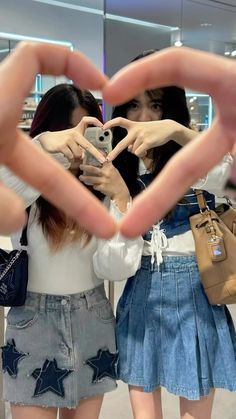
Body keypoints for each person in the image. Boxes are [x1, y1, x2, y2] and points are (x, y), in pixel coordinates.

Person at [102, 50, 236, 419]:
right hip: (141, 295)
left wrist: (178, 133)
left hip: (197, 294)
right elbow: (111, 265)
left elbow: (231, 179)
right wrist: (120, 198)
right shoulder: (117, 172)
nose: (143, 119)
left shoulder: (193, 162)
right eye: (133, 106)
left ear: (171, 108)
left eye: (156, 105)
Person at [0, 83, 143, 419]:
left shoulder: (103, 193)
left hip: (91, 318)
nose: (77, 149)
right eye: (68, 134)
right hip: (32, 325)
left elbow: (116, 269)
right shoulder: (28, 188)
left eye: (87, 135)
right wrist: (41, 151)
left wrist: (123, 202)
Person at [0, 41, 116, 238]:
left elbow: (115, 267)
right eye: (67, 130)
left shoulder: (104, 188)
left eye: (87, 132)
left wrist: (120, 198)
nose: (77, 140)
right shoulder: (32, 189)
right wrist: (40, 146)